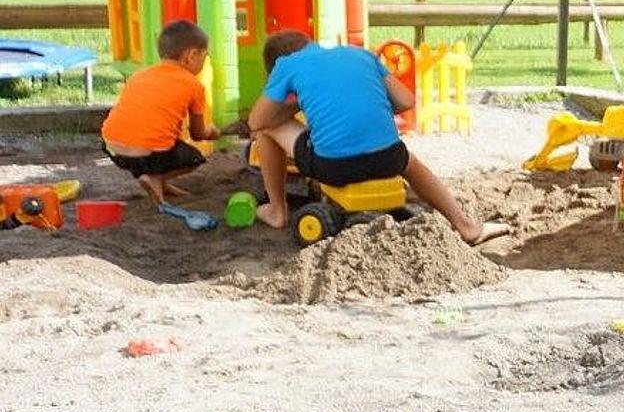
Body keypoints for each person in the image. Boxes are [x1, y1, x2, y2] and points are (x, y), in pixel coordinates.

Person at [249, 30, 507, 245]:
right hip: (389, 160)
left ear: (274, 64)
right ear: (311, 43)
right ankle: (465, 226)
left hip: (334, 167)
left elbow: (257, 121)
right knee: (410, 162)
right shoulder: (360, 54)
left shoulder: (287, 65)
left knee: (266, 130)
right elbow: (406, 100)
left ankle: (277, 210)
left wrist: (299, 102)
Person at [101, 19, 228, 204]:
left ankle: (159, 183)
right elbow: (198, 134)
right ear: (192, 55)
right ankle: (155, 178)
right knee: (194, 159)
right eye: (204, 55)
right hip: (149, 155)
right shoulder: (194, 85)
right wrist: (214, 132)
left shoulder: (139, 75)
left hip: (113, 148)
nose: (205, 60)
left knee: (164, 140)